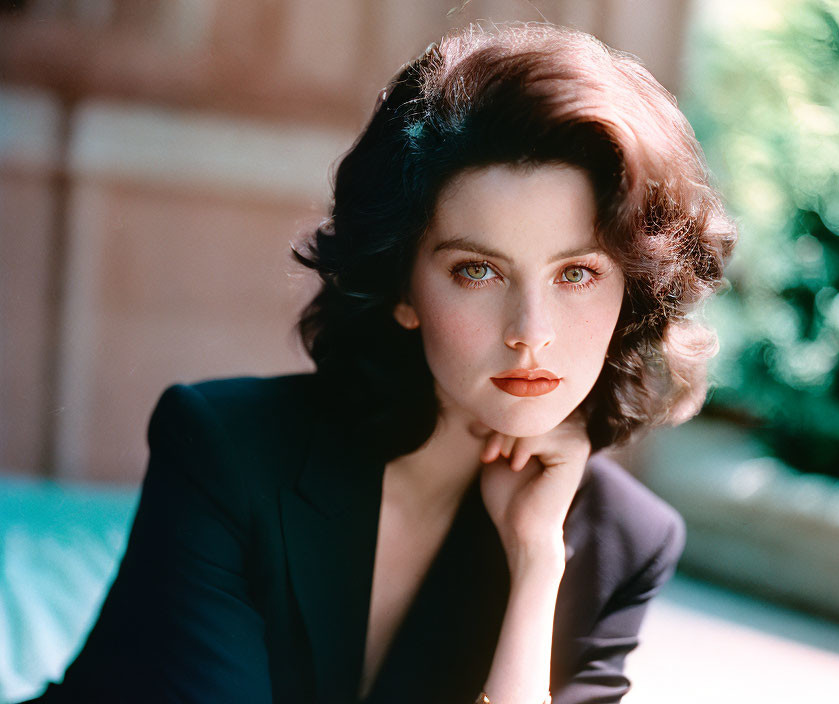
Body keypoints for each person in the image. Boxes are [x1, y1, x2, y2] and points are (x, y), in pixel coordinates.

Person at [24, 22, 736, 704]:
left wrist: (536, 569)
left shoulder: (622, 544)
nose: (531, 334)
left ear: (632, 292)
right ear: (402, 287)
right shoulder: (226, 451)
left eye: (576, 274)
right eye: (478, 271)